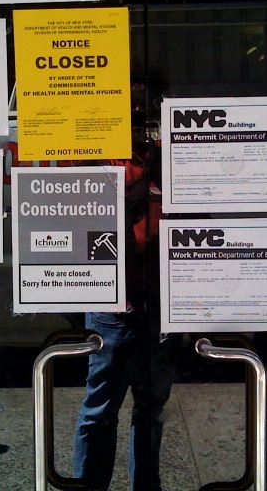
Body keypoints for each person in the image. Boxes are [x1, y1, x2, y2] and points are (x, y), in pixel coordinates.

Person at [73, 87, 179, 491]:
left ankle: (145, 486)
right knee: (100, 409)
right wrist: (142, 156)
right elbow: (122, 185)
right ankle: (89, 485)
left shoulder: (161, 158)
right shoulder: (101, 156)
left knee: (150, 411)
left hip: (158, 306)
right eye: (130, 114)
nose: (139, 122)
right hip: (114, 307)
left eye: (142, 114)